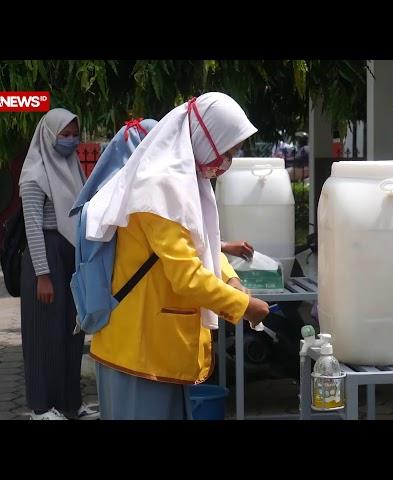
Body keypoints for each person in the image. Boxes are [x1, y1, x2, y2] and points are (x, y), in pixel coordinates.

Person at [86, 92, 270, 419]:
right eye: (227, 152)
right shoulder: (158, 188)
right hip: (137, 352)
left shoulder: (187, 182)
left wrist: (230, 278)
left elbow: (203, 244)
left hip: (159, 346)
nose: (227, 162)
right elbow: (187, 276)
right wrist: (244, 307)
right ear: (204, 138)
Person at [18, 107, 97, 420]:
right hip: (46, 257)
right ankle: (41, 407)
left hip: (70, 256)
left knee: (72, 331)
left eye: (74, 134)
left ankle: (69, 402)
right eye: (64, 134)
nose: (71, 140)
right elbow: (33, 226)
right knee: (42, 335)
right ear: (49, 135)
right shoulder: (35, 175)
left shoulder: (72, 167)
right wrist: (43, 274)